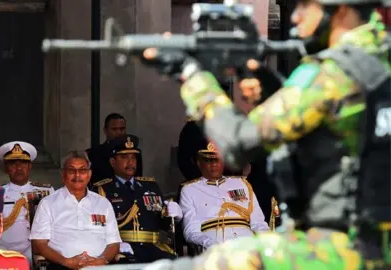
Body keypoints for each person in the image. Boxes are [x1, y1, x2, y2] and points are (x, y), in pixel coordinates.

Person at [138, 0, 390, 267]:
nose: (295, 17)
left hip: (341, 248)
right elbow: (327, 126)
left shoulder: (332, 73)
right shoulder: (377, 67)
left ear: (339, 8)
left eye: (305, 5)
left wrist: (191, 75)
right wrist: (267, 82)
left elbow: (237, 144)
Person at [92, 134, 183, 263]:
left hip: (153, 247)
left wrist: (174, 217)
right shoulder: (103, 190)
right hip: (124, 249)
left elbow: (164, 225)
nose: (130, 162)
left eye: (133, 157)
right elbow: (96, 228)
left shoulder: (150, 186)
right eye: (124, 157)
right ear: (112, 162)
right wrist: (115, 244)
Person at [30, 151, 121, 270]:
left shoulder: (103, 203)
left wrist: (101, 261)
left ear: (89, 174)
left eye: (82, 170)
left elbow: (114, 243)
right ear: (63, 174)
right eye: (71, 170)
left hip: (98, 266)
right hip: (62, 266)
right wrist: (66, 262)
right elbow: (39, 243)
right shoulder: (48, 203)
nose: (77, 175)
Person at [179, 139, 269, 252]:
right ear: (199, 163)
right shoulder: (189, 190)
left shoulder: (241, 184)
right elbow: (191, 231)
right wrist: (209, 243)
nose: (214, 164)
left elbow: (258, 222)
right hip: (215, 246)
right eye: (208, 160)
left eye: (218, 159)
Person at [0, 141, 55, 265]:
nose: (18, 168)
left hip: (39, 251)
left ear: (30, 166)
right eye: (13, 163)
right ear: (5, 168)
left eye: (23, 163)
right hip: (6, 252)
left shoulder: (46, 191)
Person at [87, 113, 143, 185]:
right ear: (105, 130)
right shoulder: (93, 154)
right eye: (114, 129)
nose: (119, 132)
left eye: (122, 129)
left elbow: (137, 179)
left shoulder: (135, 152)